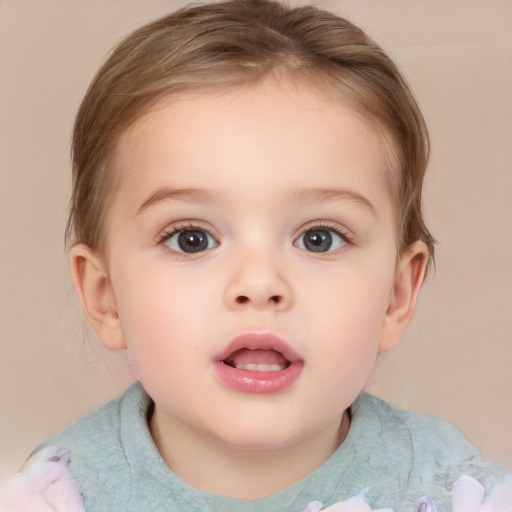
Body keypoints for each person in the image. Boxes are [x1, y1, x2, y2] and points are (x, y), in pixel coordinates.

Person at [1, 1, 510, 511]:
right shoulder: (55, 498)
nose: (260, 282)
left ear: (396, 296)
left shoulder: (456, 493)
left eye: (319, 238)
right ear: (105, 296)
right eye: (191, 239)